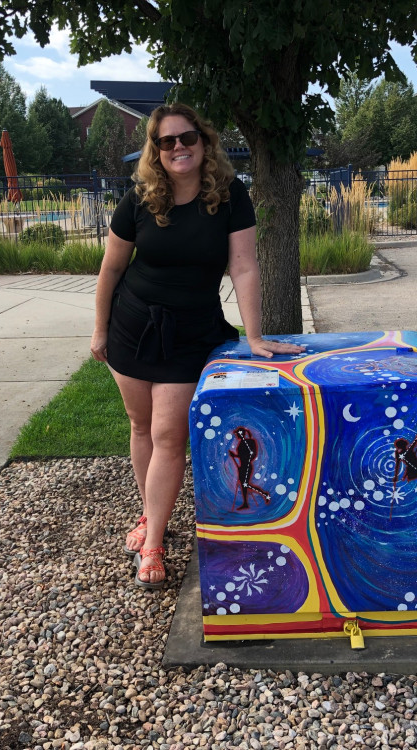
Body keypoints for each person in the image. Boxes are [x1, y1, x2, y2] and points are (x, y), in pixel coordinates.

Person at [90, 102, 303, 589]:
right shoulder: (140, 199)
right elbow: (111, 268)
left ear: (203, 142)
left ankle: (155, 543)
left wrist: (253, 336)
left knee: (168, 435)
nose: (178, 147)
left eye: (187, 138)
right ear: (156, 150)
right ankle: (149, 516)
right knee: (141, 427)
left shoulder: (229, 197)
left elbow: (244, 266)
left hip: (190, 334)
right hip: (131, 327)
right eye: (167, 141)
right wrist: (100, 330)